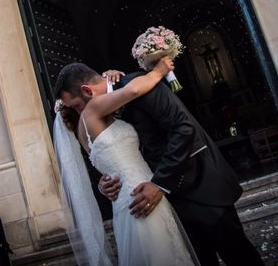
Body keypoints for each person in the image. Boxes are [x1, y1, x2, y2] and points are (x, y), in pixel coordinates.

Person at [74, 58, 265, 266]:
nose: (82, 115)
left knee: (239, 256)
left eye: (76, 106)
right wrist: (106, 182)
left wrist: (160, 184)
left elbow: (183, 129)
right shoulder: (107, 109)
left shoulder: (138, 83)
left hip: (199, 185)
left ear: (87, 91)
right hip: (163, 204)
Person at [55, 57, 201, 266]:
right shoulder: (92, 109)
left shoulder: (82, 128)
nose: (78, 111)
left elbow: (105, 167)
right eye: (74, 107)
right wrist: (159, 71)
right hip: (140, 194)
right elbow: (132, 91)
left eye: (76, 105)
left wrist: (103, 184)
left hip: (126, 200)